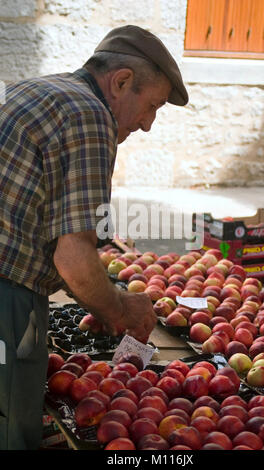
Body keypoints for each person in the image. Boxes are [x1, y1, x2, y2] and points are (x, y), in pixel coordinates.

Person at [0, 25, 189, 450]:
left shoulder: (37, 90)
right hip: (6, 298)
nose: (147, 125)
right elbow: (73, 256)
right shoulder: (88, 115)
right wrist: (120, 308)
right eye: (151, 106)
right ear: (120, 82)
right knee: (10, 424)